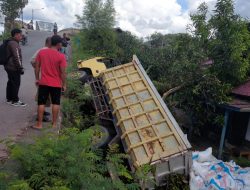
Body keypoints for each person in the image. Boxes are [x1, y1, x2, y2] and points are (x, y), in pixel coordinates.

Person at [33, 35, 67, 129]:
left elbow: (37, 67)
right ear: (58, 44)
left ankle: (39, 124)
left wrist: (37, 78)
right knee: (56, 103)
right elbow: (63, 72)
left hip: (43, 82)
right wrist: (64, 84)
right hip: (56, 84)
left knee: (41, 103)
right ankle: (54, 124)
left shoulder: (42, 52)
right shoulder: (61, 56)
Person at [31, 37, 52, 122]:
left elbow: (33, 61)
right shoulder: (44, 50)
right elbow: (33, 61)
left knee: (45, 96)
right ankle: (40, 116)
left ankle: (42, 112)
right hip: (43, 77)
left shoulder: (45, 50)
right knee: (42, 96)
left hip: (44, 77)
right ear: (49, 42)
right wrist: (39, 68)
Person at [5, 28, 26, 107]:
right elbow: (16, 57)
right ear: (16, 35)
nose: (21, 36)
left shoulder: (9, 41)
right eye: (20, 35)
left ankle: (9, 99)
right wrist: (20, 68)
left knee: (10, 82)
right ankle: (15, 100)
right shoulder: (14, 43)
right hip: (13, 67)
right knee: (16, 83)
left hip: (8, 66)